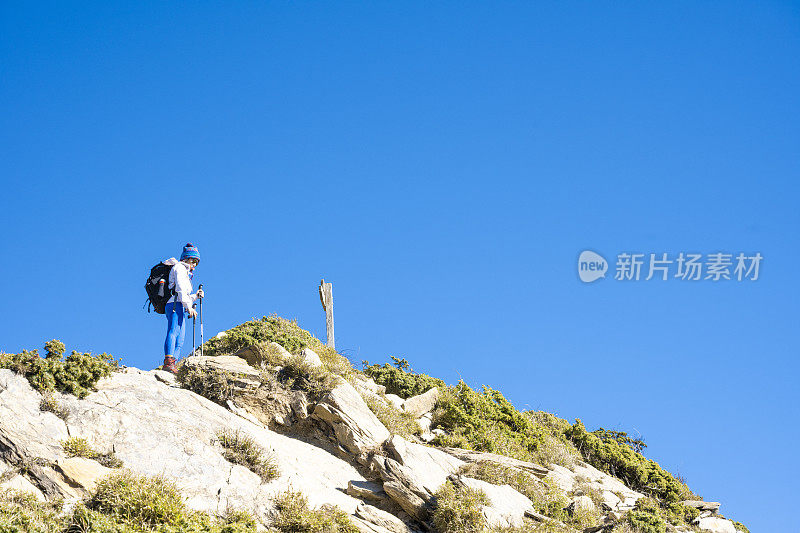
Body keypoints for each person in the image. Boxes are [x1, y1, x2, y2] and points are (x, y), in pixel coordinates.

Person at [163, 243, 204, 373]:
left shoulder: (186, 272)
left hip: (179, 304)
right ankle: (168, 363)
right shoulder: (179, 268)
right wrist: (189, 307)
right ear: (187, 258)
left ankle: (173, 364)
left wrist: (195, 296)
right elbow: (179, 290)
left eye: (196, 263)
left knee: (180, 338)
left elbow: (184, 294)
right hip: (174, 304)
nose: (194, 266)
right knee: (174, 331)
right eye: (194, 262)